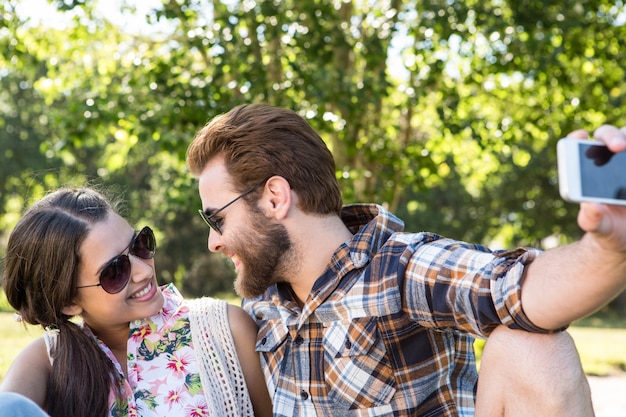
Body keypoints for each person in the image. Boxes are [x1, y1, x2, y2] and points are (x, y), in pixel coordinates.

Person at [185, 103, 626, 416]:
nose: (213, 243)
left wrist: (610, 249)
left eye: (217, 219)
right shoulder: (262, 306)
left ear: (276, 198)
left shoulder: (401, 269)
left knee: (533, 345)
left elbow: (521, 288)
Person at [0, 187, 272, 417]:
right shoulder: (48, 360)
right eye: (115, 270)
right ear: (68, 301)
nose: (144, 270)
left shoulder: (224, 330)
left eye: (139, 245)